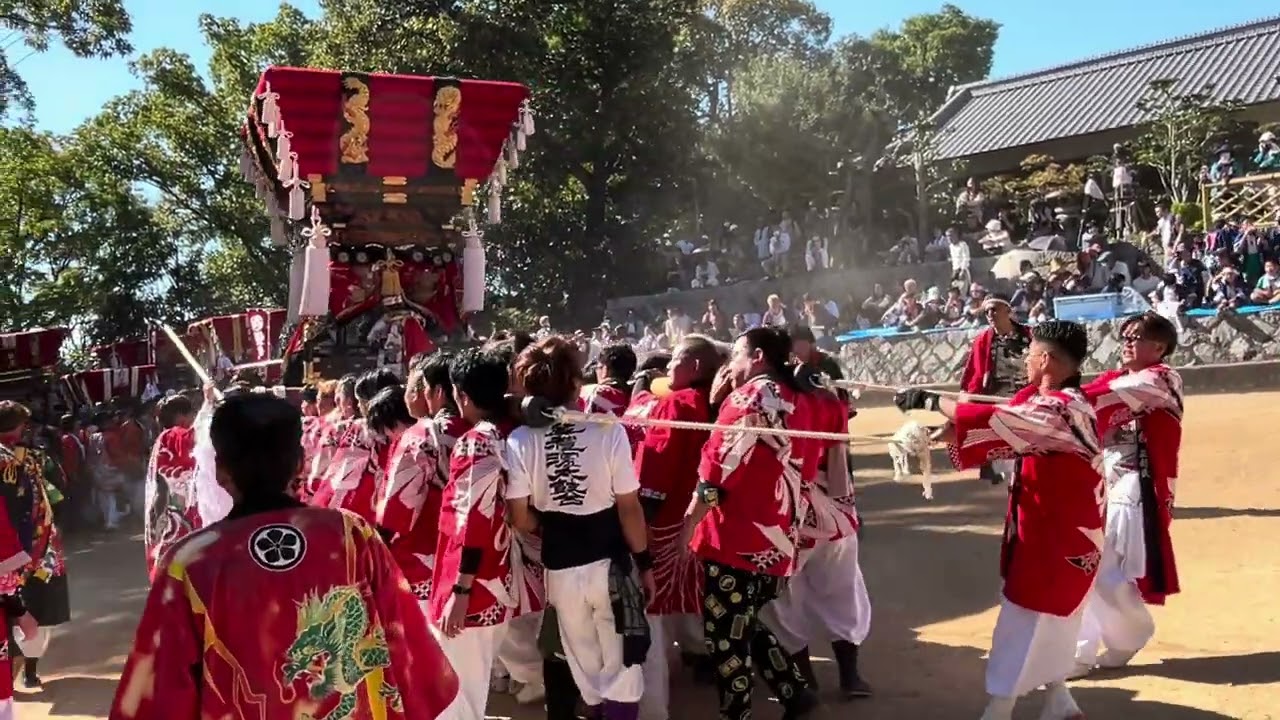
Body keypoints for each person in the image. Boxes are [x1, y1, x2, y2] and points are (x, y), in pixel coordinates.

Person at [108, 392, 458, 720]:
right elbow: (410, 653)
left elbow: (160, 691)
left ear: (219, 470)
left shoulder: (190, 562)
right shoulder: (352, 536)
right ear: (301, 463)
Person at [897, 320, 1105, 720]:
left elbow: (999, 422)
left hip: (1057, 533)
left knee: (1025, 615)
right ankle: (1059, 699)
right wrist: (938, 434)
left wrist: (927, 400)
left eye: (1029, 355)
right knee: (1055, 614)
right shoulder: (1057, 402)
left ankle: (1000, 707)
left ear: (1045, 359)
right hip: (1065, 528)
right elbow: (1006, 420)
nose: (1025, 362)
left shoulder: (1059, 408)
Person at [506, 336, 655, 720]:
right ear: (576, 383)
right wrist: (646, 563)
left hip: (560, 566)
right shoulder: (607, 429)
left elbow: (519, 518)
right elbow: (629, 509)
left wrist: (552, 520)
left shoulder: (520, 440)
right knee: (623, 664)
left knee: (585, 667)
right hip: (611, 564)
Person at [678, 327, 819, 720]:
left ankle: (737, 714)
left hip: (736, 541)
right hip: (778, 537)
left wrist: (688, 526)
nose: (730, 366)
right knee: (743, 623)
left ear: (757, 357)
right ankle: (794, 694)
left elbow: (715, 479)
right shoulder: (798, 399)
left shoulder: (747, 399)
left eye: (736, 355)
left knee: (725, 637)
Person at [1073, 313, 1183, 677]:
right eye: (1125, 336)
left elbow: (1092, 400)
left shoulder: (1161, 379)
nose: (1127, 342)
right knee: (1088, 565)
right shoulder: (1118, 379)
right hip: (1107, 484)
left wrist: (1058, 399)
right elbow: (1081, 407)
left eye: (1136, 337)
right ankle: (1089, 648)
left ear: (1160, 347)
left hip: (1137, 487)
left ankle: (1122, 636)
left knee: (1102, 567)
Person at [426, 349, 524, 720]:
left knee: (457, 694)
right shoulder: (510, 434)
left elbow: (474, 518)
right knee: (470, 689)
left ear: (461, 395)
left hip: (474, 585)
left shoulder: (475, 442)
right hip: (497, 576)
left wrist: (461, 590)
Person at [763, 378, 871, 700]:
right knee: (841, 589)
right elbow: (840, 458)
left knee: (785, 598)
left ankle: (805, 679)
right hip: (827, 515)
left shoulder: (758, 401)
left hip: (784, 516)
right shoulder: (827, 397)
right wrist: (846, 506)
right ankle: (848, 677)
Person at [631, 336, 723, 717]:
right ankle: (702, 658)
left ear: (695, 367)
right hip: (703, 516)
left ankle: (655, 698)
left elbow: (657, 467)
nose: (668, 370)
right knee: (693, 591)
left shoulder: (674, 405)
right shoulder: (720, 406)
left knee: (650, 603)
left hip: (666, 521)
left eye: (674, 363)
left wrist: (641, 524)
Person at [377, 352, 469, 606]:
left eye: (424, 387)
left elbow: (398, 511)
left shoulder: (424, 435)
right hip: (482, 557)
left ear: (438, 392)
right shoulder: (485, 429)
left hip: (428, 554)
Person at [0, 402, 71, 691]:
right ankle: (29, 672)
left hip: (7, 550)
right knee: (36, 609)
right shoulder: (36, 458)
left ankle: (8, 674)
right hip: (37, 551)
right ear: (20, 427)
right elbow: (60, 490)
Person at [310, 369, 401, 523]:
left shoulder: (358, 429)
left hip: (354, 507)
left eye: (360, 401)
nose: (358, 406)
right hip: (391, 507)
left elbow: (336, 475)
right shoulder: (406, 429)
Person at [959, 296, 1032, 485]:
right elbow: (974, 373)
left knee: (1028, 445)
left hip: (1026, 399)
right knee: (1001, 444)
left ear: (1008, 311)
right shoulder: (984, 339)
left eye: (994, 309)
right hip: (997, 400)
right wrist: (968, 398)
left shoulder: (1030, 337)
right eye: (987, 311)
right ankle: (1006, 480)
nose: (990, 314)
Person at [142, 395, 199, 580]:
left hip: (172, 508)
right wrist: (210, 406)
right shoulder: (175, 435)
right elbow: (199, 437)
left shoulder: (162, 439)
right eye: (193, 415)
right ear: (182, 416)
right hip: (184, 508)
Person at [580, 343, 638, 417]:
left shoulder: (597, 392)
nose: (596, 372)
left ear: (605, 369)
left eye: (598, 367)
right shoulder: (635, 395)